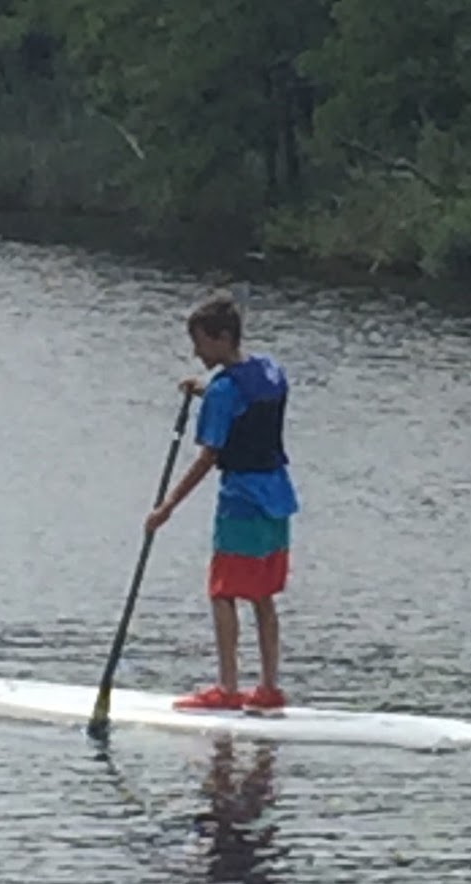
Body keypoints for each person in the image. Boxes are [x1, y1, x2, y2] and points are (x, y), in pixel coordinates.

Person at [144, 293, 299, 713]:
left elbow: (209, 456)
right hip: (279, 497)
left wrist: (166, 508)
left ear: (223, 337)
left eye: (201, 343)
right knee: (263, 594)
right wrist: (207, 390)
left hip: (243, 502)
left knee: (223, 591)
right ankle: (269, 689)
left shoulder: (224, 392)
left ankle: (227, 689)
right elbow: (246, 400)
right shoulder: (271, 371)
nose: (196, 352)